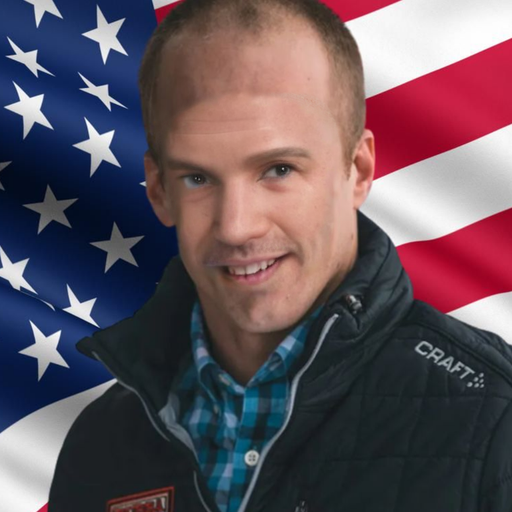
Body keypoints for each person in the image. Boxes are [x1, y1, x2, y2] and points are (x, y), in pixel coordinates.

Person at [48, 0, 512, 511]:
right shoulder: (100, 446)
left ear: (357, 170)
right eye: (198, 178)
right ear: (159, 190)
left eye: (278, 170)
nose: (236, 226)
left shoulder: (497, 420)